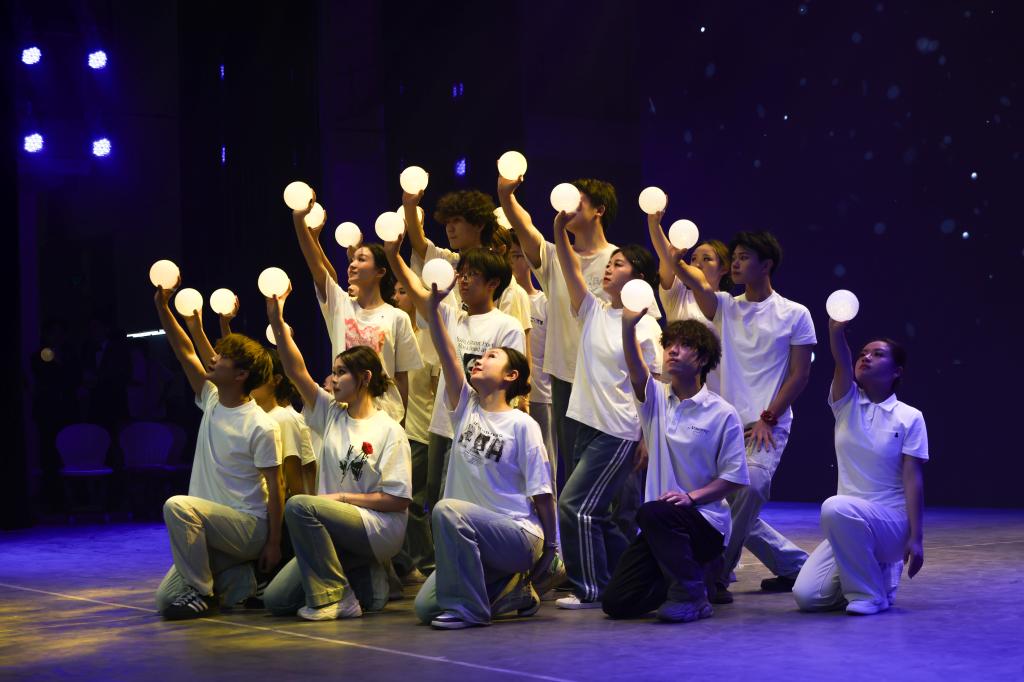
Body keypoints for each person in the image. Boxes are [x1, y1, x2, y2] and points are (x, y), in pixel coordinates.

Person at [668, 231, 815, 602]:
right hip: (725, 427)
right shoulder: (724, 306)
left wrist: (769, 416)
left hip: (767, 425)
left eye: (744, 257)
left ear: (766, 265)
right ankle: (797, 566)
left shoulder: (795, 314)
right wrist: (669, 248)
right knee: (731, 506)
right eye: (733, 256)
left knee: (750, 488)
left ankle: (716, 573)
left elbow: (799, 375)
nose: (735, 262)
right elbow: (693, 281)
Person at [261, 286, 413, 620]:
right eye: (334, 371)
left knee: (299, 506)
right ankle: (367, 575)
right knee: (276, 600)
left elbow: (398, 500)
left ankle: (338, 596)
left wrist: (342, 499)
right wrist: (276, 318)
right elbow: (296, 371)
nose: (333, 378)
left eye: (342, 372)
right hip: (336, 526)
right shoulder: (331, 413)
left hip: (378, 528)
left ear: (365, 378)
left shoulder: (389, 430)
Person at [412, 279, 557, 629]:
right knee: (425, 606)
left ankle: (472, 611)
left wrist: (551, 549)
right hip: (473, 536)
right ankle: (514, 592)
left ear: (510, 375)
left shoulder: (523, 425)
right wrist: (432, 310)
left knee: (446, 509)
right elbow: (448, 355)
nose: (479, 360)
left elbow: (542, 493)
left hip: (517, 535)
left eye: (491, 357)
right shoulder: (466, 407)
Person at [549, 208, 664, 610]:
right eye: (609, 263)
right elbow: (569, 269)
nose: (609, 269)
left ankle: (590, 588)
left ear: (639, 278)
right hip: (587, 424)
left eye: (619, 264)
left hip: (619, 430)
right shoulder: (594, 310)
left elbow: (656, 388)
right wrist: (559, 231)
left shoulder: (647, 326)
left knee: (575, 506)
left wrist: (647, 438)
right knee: (596, 513)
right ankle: (642, 574)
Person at [152, 279, 284, 621]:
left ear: (241, 375)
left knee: (177, 505)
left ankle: (202, 592)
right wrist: (163, 308)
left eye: (223, 358)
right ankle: (241, 580)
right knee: (166, 598)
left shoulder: (261, 424)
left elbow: (277, 488)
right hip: (211, 526)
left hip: (247, 527)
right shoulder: (211, 400)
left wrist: (273, 544)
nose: (214, 359)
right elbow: (184, 352)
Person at [603, 317, 748, 622]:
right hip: (661, 523)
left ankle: (692, 595)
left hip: (705, 523)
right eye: (669, 344)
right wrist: (628, 327)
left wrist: (691, 498)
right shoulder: (655, 399)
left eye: (684, 345)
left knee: (653, 511)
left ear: (703, 359)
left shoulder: (722, 413)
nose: (673, 350)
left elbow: (734, 478)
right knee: (617, 603)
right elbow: (635, 368)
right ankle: (696, 578)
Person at [382, 233, 526, 515]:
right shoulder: (451, 316)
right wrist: (393, 256)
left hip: (482, 431)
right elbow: (415, 289)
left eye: (473, 275)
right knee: (436, 504)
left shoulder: (507, 326)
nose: (464, 280)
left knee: (468, 507)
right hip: (443, 425)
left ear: (493, 283)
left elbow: (511, 382)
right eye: (463, 273)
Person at [793, 323, 928, 615]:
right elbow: (842, 360)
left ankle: (870, 594)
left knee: (834, 507)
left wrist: (916, 538)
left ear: (896, 372)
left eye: (877, 354)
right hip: (849, 522)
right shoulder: (846, 402)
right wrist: (835, 331)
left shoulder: (910, 417)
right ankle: (874, 574)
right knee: (808, 596)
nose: (866, 357)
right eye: (863, 353)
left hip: (892, 524)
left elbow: (913, 480)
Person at [497, 174, 620, 485]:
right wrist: (506, 195)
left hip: (609, 377)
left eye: (578, 200)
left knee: (611, 474)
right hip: (566, 376)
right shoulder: (554, 256)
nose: (568, 206)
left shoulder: (619, 261)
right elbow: (524, 226)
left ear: (599, 209)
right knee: (575, 467)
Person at [292, 198, 422, 422]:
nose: (352, 264)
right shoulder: (340, 305)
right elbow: (316, 266)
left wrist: (400, 424)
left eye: (361, 259)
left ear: (380, 272)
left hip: (383, 415)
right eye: (352, 260)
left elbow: (401, 378)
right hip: (344, 411)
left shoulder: (397, 317)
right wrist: (300, 222)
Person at [183, 304, 316, 499]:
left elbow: (296, 485)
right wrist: (219, 327)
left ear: (275, 380)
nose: (253, 378)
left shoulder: (283, 418)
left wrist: (287, 517)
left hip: (272, 508)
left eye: (259, 374)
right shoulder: (251, 412)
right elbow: (228, 365)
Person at [648, 207, 732, 393]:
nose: (697, 264)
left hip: (713, 394)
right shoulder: (678, 296)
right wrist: (654, 225)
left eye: (707, 259)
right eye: (693, 259)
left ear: (724, 268)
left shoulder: (727, 304)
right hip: (673, 394)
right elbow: (667, 257)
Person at [390, 281, 440, 583]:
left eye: (402, 291)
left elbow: (435, 391)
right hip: (392, 428)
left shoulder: (430, 338)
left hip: (420, 429)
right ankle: (404, 563)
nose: (395, 297)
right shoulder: (391, 332)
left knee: (415, 501)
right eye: (395, 292)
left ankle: (427, 564)